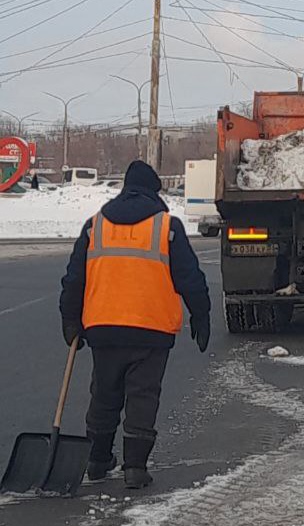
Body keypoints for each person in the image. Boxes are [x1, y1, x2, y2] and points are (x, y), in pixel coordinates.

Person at [59, 160, 211, 489]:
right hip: (151, 329)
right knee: (143, 396)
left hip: (103, 326)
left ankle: (98, 460)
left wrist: (70, 319)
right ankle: (135, 468)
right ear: (153, 192)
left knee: (104, 393)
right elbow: (190, 278)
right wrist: (202, 312)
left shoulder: (94, 225)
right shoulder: (166, 227)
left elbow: (74, 279)